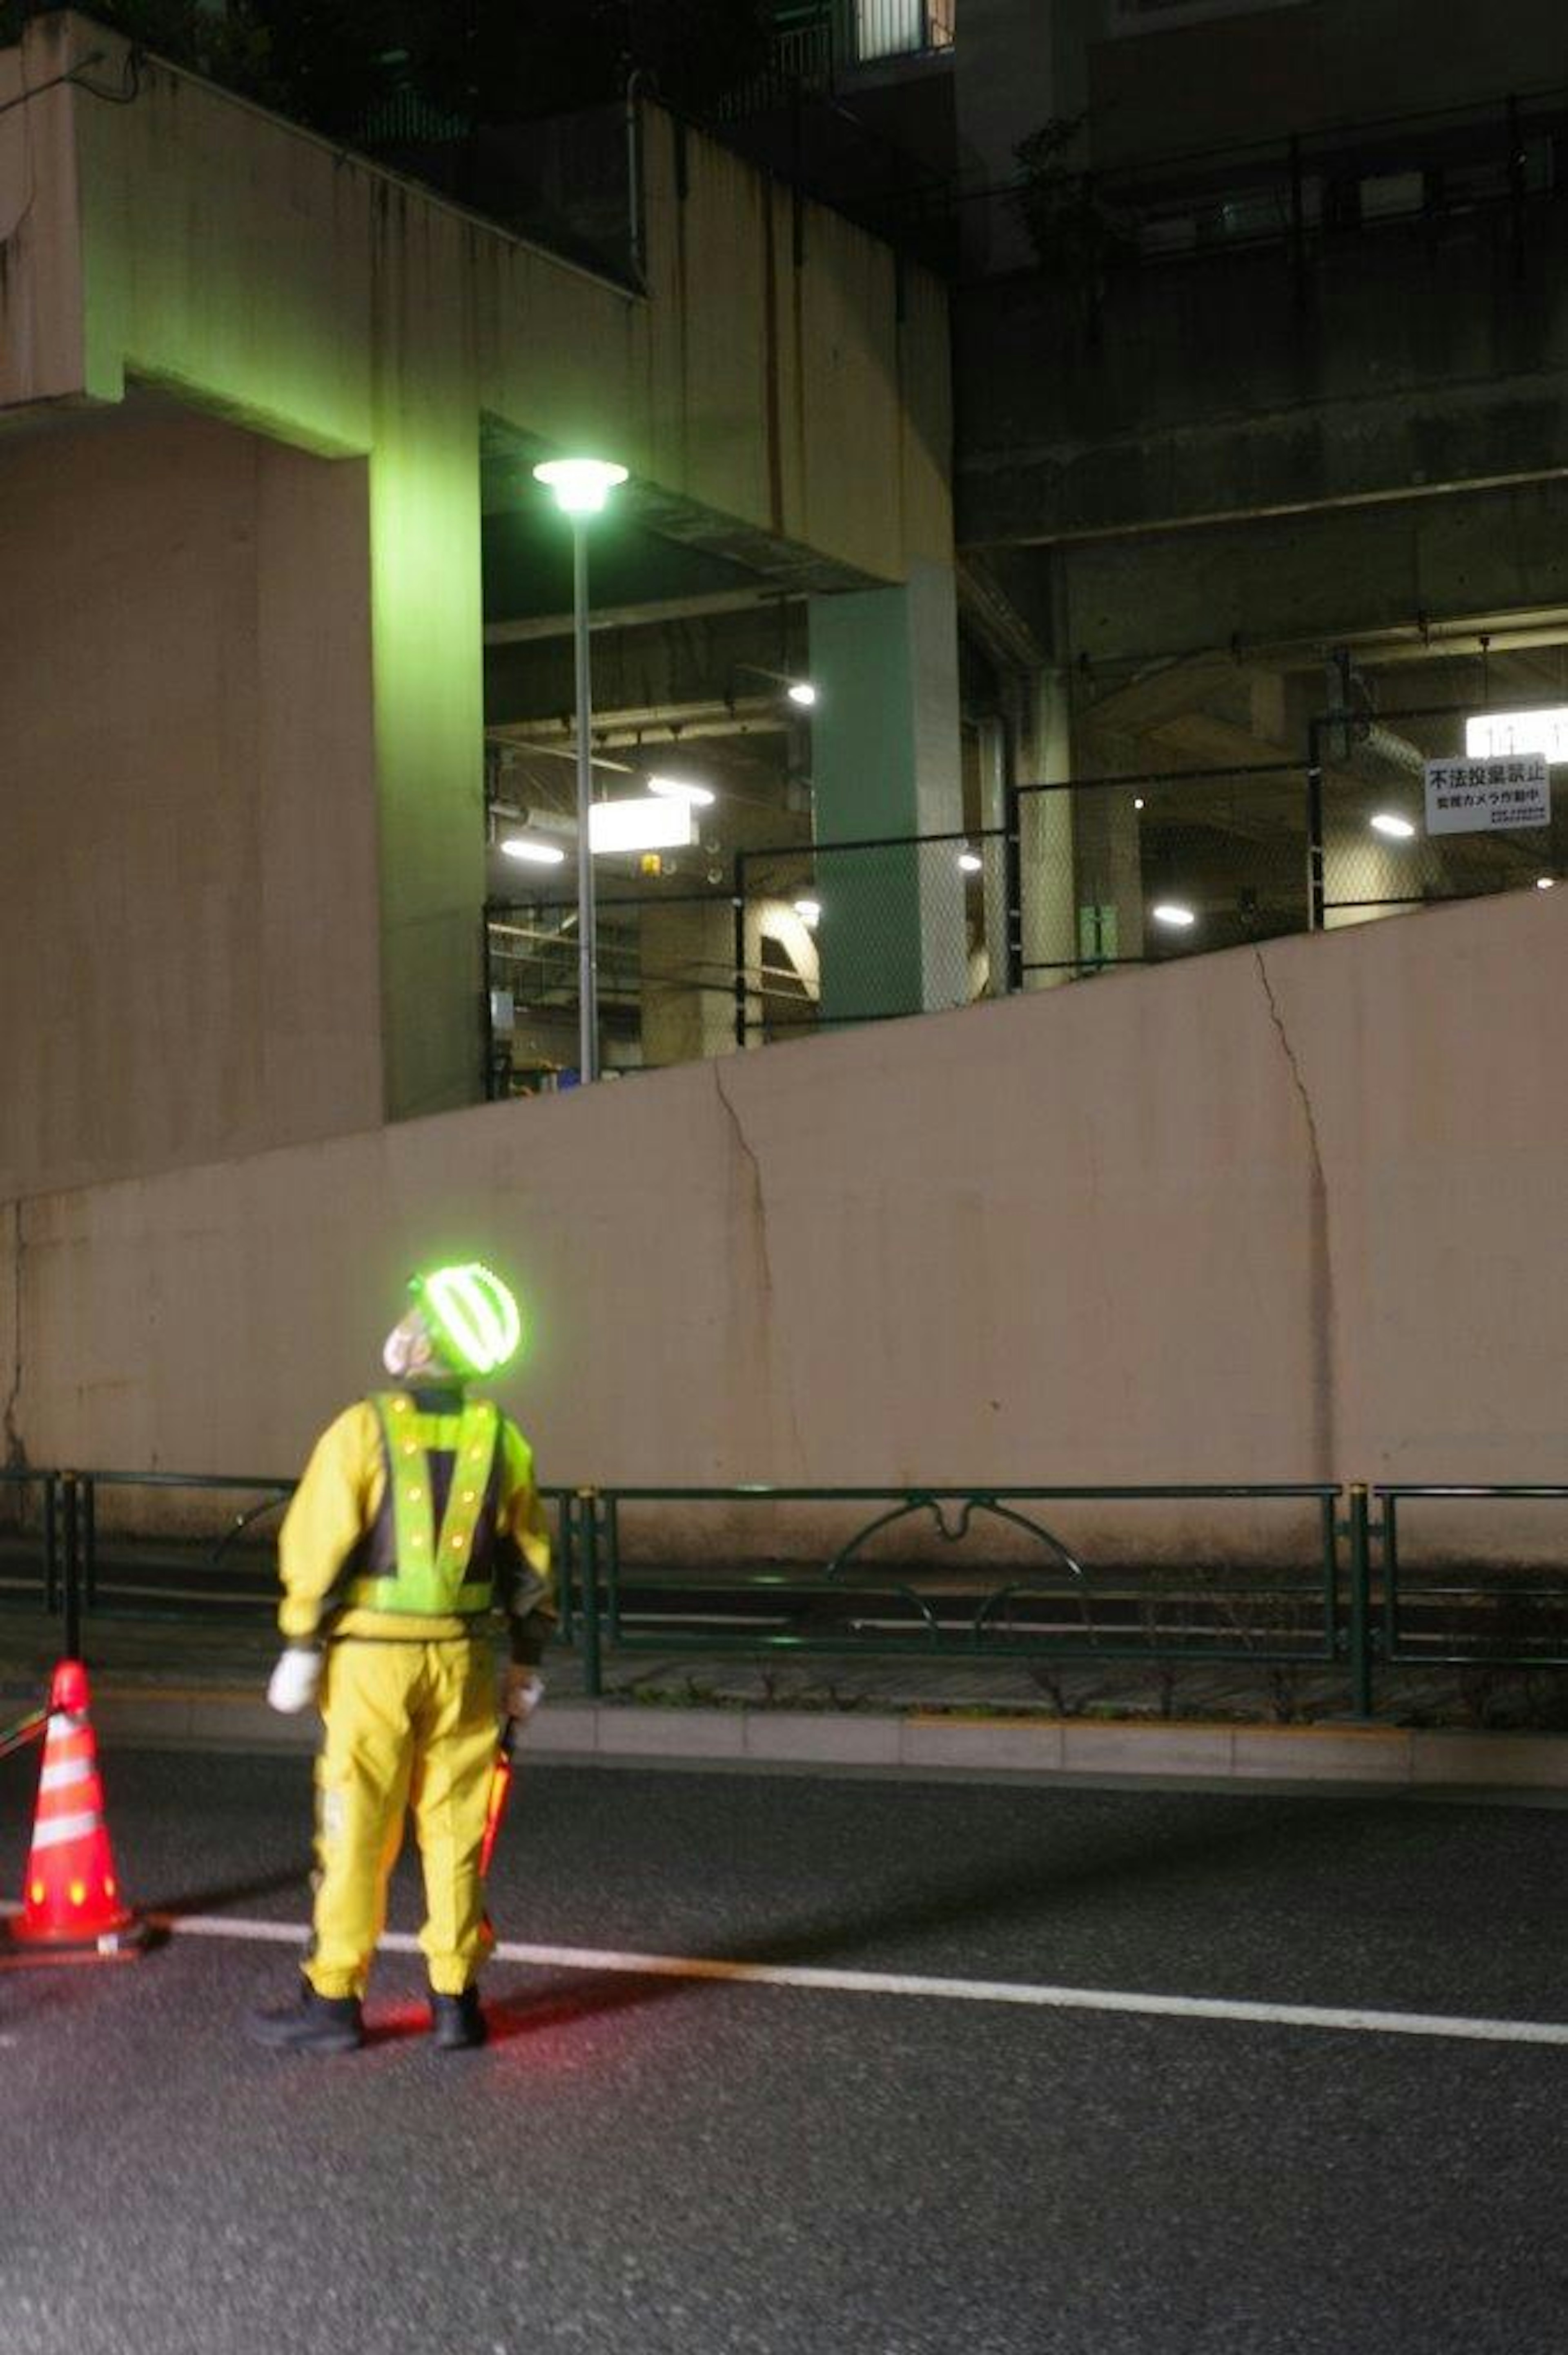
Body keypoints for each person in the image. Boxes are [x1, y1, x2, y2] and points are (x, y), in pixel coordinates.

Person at [247, 1261, 553, 2055]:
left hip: (371, 1666)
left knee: (356, 1830)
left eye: (415, 1315)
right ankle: (456, 2002)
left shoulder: (363, 1428)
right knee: (454, 1830)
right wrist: (526, 1661)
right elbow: (533, 1566)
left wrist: (300, 1641)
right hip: (465, 1663)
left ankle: (335, 2000)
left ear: (426, 1339)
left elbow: (315, 1545)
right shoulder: (502, 1437)